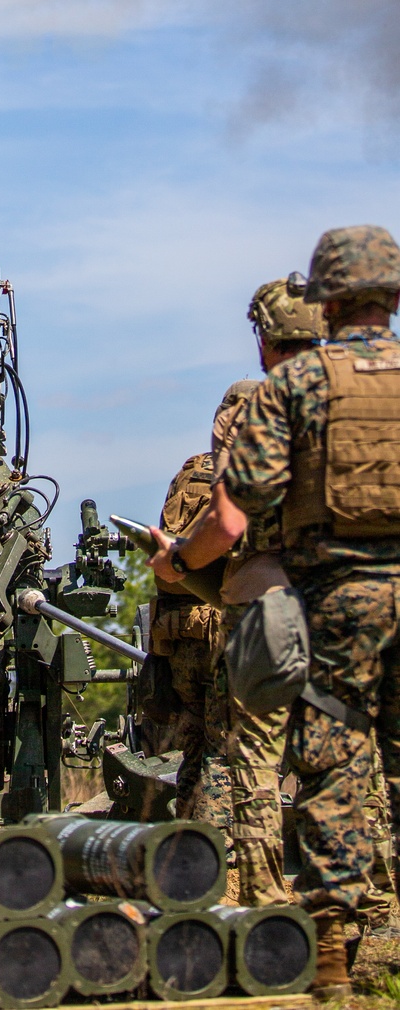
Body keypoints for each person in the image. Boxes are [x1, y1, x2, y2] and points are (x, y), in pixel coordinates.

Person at [221, 226, 400, 997]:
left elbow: (247, 497)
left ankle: (330, 953)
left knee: (333, 764)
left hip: (338, 602)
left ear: (323, 298)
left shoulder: (295, 387)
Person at [149, 393, 256, 855]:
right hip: (225, 628)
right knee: (223, 746)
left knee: (192, 740)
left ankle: (185, 841)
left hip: (180, 633)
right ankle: (215, 851)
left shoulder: (190, 471)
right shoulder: (259, 473)